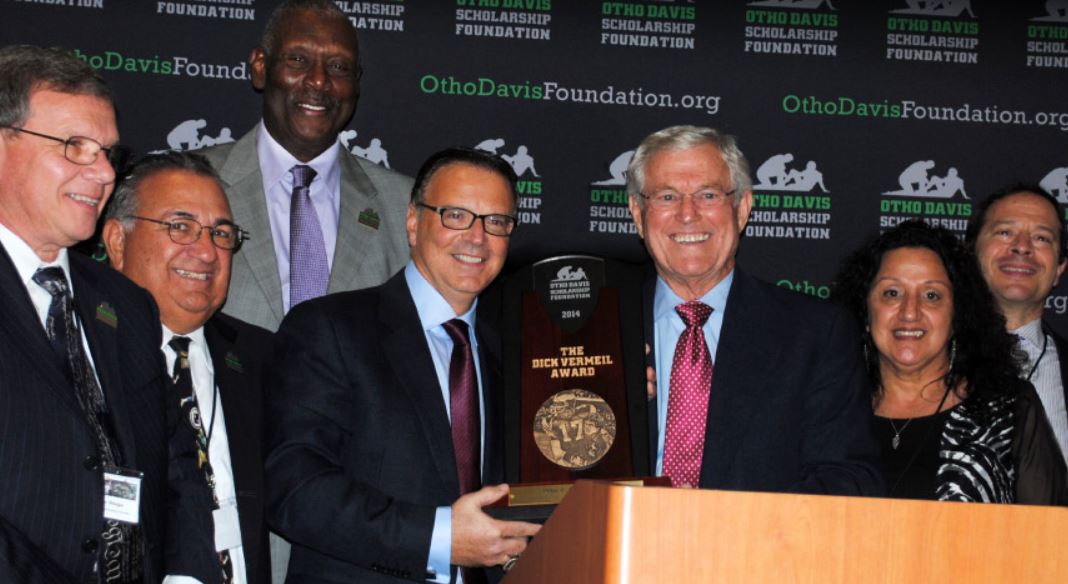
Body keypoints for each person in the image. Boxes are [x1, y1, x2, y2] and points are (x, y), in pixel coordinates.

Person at [266, 147, 540, 583]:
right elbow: (295, 490)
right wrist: (439, 538)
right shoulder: (330, 328)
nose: (477, 237)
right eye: (455, 215)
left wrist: (614, 402)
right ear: (413, 222)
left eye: (496, 222)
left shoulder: (517, 353)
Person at [0, 44, 193, 583]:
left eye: (108, 152)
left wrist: (184, 574)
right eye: (75, 146)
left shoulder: (126, 304)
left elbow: (176, 463)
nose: (105, 172)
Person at [626, 125, 882, 494]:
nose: (687, 214)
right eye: (666, 197)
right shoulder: (597, 327)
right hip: (617, 544)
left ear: (743, 207)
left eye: (708, 194)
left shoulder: (814, 333)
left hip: (756, 547)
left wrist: (730, 523)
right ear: (638, 212)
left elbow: (848, 478)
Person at [102, 152, 274, 584]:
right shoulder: (84, 352)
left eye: (220, 233)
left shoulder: (261, 357)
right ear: (117, 241)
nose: (206, 251)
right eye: (180, 227)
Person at [199, 0, 412, 333]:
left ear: (357, 84)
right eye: (298, 60)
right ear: (259, 66)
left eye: (339, 67)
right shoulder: (193, 182)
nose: (318, 81)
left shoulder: (406, 207)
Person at [833, 220, 1067, 503]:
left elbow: (1051, 534)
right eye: (892, 293)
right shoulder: (829, 412)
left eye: (932, 296)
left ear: (957, 316)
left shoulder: (1010, 410)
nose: (910, 312)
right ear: (866, 312)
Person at [967, 184, 1068, 466]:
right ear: (970, 252)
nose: (1022, 246)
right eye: (1005, 232)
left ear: (1059, 268)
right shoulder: (924, 360)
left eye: (1042, 238)